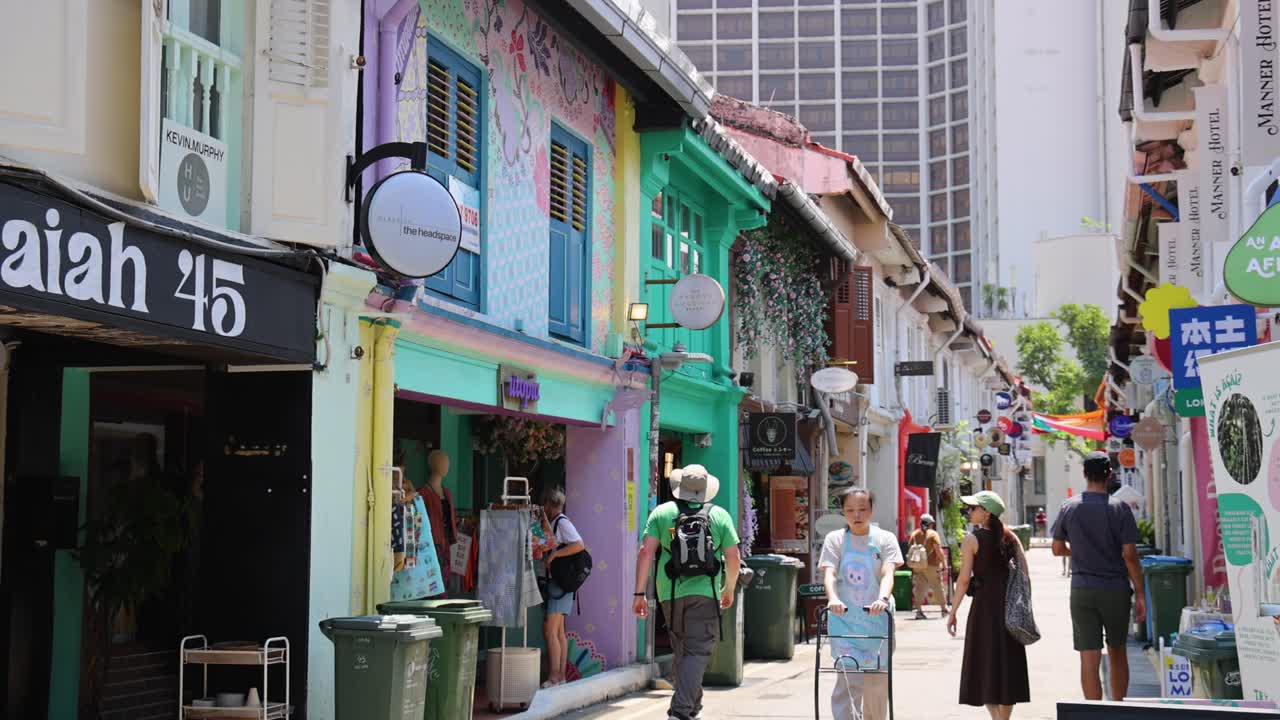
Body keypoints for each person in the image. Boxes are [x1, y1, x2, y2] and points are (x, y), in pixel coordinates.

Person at [633, 464, 741, 720]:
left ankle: (692, 708)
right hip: (706, 593)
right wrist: (729, 588)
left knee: (683, 649)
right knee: (697, 651)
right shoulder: (719, 515)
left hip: (669, 592)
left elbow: (645, 552)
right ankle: (680, 712)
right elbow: (733, 557)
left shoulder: (662, 513)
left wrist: (639, 594)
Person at [1051, 452, 1147, 702]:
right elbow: (1129, 555)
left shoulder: (1069, 507)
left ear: (1084, 474)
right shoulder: (1120, 509)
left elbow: (1057, 549)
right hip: (1115, 588)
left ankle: (1093, 712)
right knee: (1117, 650)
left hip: (1082, 589)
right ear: (1110, 475)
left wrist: (1081, 552)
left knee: (1088, 655)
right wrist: (1141, 593)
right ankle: (1117, 708)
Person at [819, 487, 902, 720]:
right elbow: (830, 573)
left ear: (872, 510)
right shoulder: (835, 539)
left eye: (862, 509)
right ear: (843, 512)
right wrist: (833, 598)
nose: (857, 515)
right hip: (844, 620)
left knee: (876, 685)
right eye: (850, 510)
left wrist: (882, 599)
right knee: (848, 678)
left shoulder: (885, 539)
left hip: (877, 621)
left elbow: (888, 572)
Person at [949, 490, 1030, 720]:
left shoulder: (971, 540)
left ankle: (997, 719)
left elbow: (964, 580)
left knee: (984, 663)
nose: (969, 511)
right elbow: (1024, 572)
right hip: (1009, 607)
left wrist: (953, 611)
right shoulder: (1010, 537)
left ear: (985, 513)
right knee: (1006, 665)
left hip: (984, 608)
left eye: (973, 508)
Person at [539, 487, 586, 688]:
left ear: (549, 505)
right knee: (558, 632)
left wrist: (555, 555)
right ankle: (561, 676)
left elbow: (579, 545)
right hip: (562, 585)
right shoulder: (557, 522)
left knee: (551, 631)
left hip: (560, 585)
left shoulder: (562, 522)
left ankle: (555, 677)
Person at [908, 513, 949, 620]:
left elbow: (910, 549)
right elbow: (938, 550)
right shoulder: (933, 534)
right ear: (930, 524)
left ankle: (919, 611)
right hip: (932, 565)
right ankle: (944, 609)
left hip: (918, 565)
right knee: (937, 586)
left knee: (919, 588)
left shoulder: (914, 534)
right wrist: (944, 564)